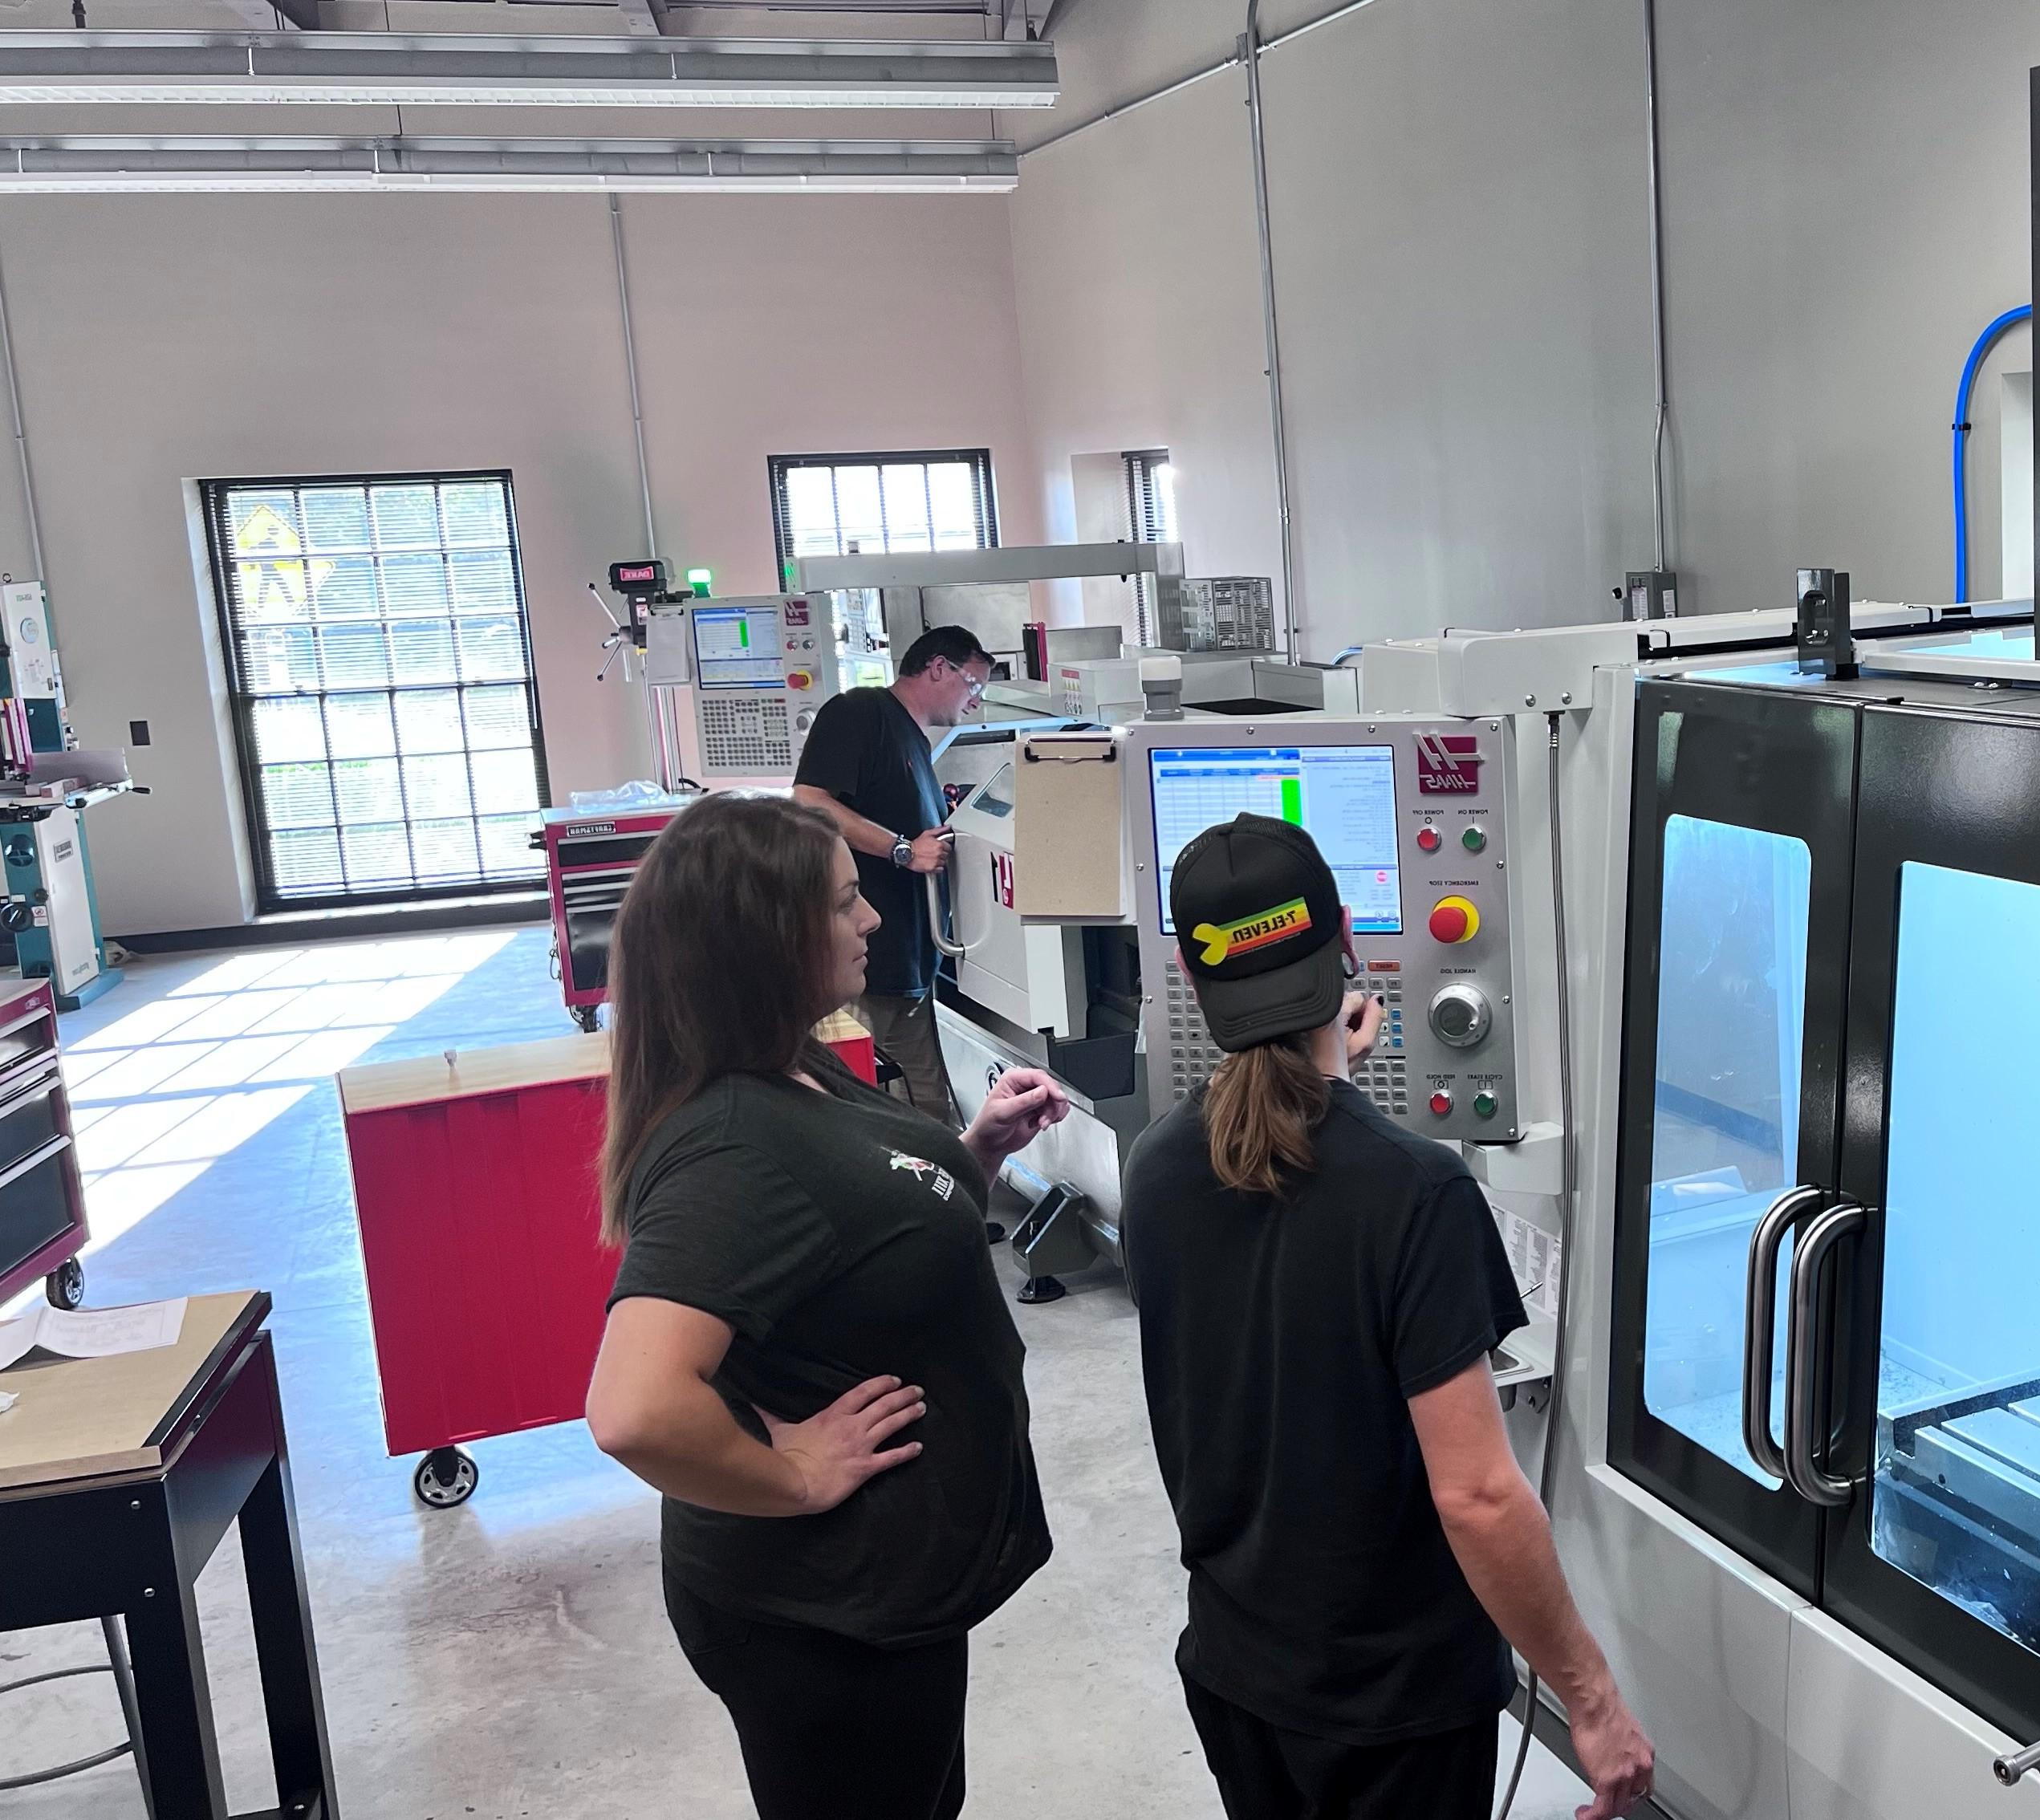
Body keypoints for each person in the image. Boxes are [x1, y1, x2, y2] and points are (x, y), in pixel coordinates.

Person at [1124, 814, 1656, 1820]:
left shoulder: (1155, 1168)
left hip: (1240, 1675)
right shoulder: (1417, 1194)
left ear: (1198, 987)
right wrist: (1591, 1701)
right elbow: (1480, 1498)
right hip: (1391, 1714)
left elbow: (1278, 1226)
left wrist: (1338, 1090)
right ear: (1348, 945)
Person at [583, 791, 1071, 1820]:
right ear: (772, 940)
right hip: (821, 1614)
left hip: (886, 1600)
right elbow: (633, 1407)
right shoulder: (726, 1144)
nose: (875, 921)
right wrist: (793, 1476)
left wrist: (969, 1156)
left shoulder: (787, 1066)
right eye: (848, 903)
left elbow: (847, 1233)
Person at [792, 624, 996, 1119]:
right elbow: (810, 802)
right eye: (973, 685)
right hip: (865, 966)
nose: (975, 702)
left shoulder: (915, 742)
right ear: (938, 667)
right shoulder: (860, 712)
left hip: (911, 969)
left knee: (931, 1113)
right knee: (850, 1107)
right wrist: (903, 849)